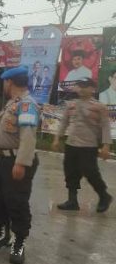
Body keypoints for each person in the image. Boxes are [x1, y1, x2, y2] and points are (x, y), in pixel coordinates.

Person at [0, 66, 39, 264]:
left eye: (4, 82)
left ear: (10, 82)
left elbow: (28, 137)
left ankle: (19, 242)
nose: (3, 85)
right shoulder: (13, 103)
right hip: (3, 159)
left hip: (17, 160)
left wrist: (21, 163)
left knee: (17, 202)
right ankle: (2, 233)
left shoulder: (27, 105)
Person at [52, 77, 113, 213]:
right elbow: (64, 123)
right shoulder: (71, 104)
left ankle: (104, 196)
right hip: (71, 144)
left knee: (91, 172)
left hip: (88, 146)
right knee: (70, 172)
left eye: (85, 86)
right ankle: (72, 201)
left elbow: (105, 127)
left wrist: (106, 145)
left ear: (92, 89)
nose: (81, 89)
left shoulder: (99, 107)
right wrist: (57, 138)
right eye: (79, 86)